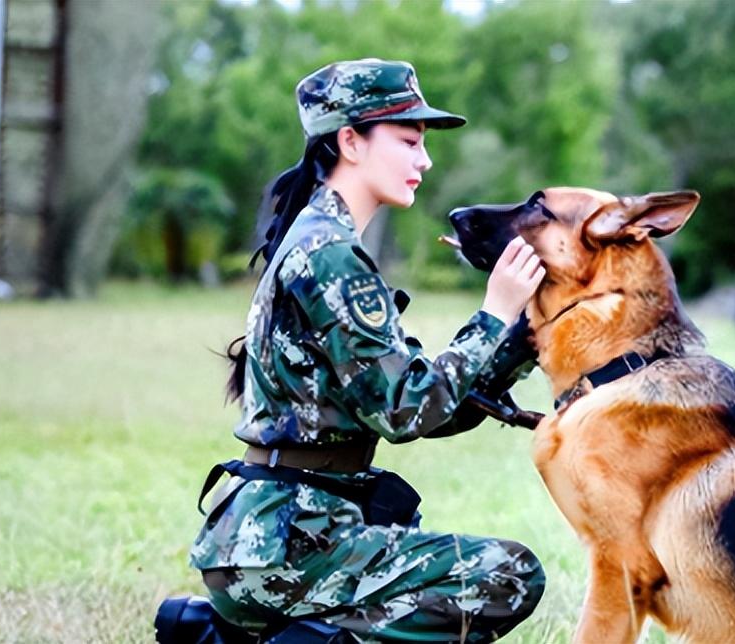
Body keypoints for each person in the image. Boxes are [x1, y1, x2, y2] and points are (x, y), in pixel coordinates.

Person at [187, 59, 546, 642]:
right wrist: (495, 312)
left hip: (277, 536)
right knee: (507, 575)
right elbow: (407, 412)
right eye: (408, 141)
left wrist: (516, 342)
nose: (424, 160)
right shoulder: (330, 255)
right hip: (289, 547)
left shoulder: (323, 240)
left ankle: (236, 633)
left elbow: (426, 406)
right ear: (350, 141)